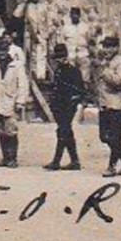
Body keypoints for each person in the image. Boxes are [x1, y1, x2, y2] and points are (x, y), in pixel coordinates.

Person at [96, 37, 121, 177]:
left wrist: (104, 70)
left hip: (119, 104)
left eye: (110, 47)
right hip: (106, 103)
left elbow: (118, 81)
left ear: (117, 48)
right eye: (105, 47)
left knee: (114, 136)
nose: (107, 50)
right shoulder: (106, 62)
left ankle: (112, 167)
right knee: (104, 136)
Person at [44, 42, 86, 171]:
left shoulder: (74, 71)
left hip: (68, 105)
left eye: (62, 56)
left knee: (62, 131)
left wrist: (74, 101)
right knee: (66, 132)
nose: (59, 59)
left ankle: (56, 161)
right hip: (58, 106)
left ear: (66, 56)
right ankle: (75, 161)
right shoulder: (58, 71)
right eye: (57, 57)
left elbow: (80, 91)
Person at [0, 34, 27, 168]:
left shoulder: (16, 66)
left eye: (4, 52)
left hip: (10, 102)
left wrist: (20, 102)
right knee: (1, 131)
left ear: (8, 52)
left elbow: (22, 84)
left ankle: (13, 158)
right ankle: (5, 158)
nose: (2, 55)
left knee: (11, 131)